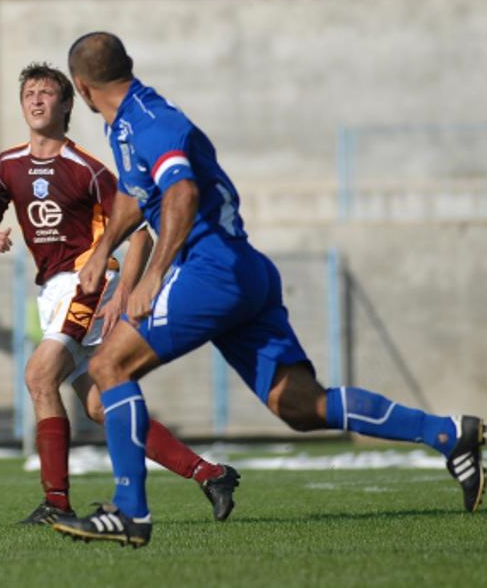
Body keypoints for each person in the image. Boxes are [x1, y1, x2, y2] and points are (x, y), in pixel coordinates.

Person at [50, 31, 484, 548]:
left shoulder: (150, 121)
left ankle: (130, 512)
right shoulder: (127, 123)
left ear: (80, 86)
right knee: (298, 404)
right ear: (130, 65)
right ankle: (447, 432)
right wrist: (102, 251)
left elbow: (182, 192)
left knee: (107, 367)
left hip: (210, 269)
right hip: (244, 271)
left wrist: (154, 275)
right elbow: (134, 191)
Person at [0, 62, 238, 525]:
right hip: (53, 292)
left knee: (39, 376)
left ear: (67, 104)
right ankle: (209, 473)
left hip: (90, 284)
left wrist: (122, 293)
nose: (36, 100)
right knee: (99, 406)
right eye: (29, 93)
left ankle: (55, 503)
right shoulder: (5, 166)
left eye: (47, 93)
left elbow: (140, 234)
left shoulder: (88, 170)